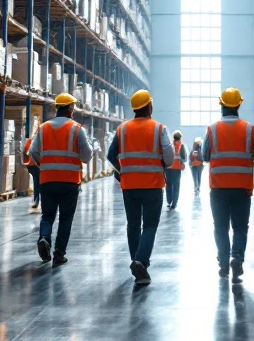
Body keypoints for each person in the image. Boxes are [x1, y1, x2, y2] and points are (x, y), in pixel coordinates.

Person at [106, 90, 174, 285]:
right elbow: (169, 159)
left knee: (133, 225)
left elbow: (111, 156)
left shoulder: (122, 130)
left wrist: (123, 170)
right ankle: (140, 261)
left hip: (129, 186)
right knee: (150, 225)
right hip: (152, 185)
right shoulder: (159, 128)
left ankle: (137, 264)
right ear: (149, 106)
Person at [203, 87, 254, 283]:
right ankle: (236, 258)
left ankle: (222, 263)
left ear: (221, 105)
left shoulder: (212, 129)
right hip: (242, 188)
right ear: (239, 105)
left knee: (220, 227)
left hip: (218, 187)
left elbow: (204, 155)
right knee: (240, 227)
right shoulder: (249, 129)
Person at [28, 93, 92, 266]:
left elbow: (33, 152)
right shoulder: (77, 129)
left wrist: (46, 165)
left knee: (47, 215)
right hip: (70, 182)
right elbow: (86, 156)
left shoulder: (43, 128)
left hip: (47, 180)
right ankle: (59, 254)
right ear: (70, 109)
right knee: (65, 218)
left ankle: (44, 238)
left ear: (57, 108)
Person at [22, 119, 41, 214]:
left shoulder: (31, 139)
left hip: (32, 166)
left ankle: (36, 200)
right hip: (37, 166)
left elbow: (25, 150)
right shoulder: (40, 139)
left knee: (36, 184)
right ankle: (37, 201)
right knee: (40, 184)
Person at [165, 130, 187, 209]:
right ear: (180, 137)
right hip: (176, 169)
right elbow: (184, 158)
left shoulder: (169, 145)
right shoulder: (182, 146)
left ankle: (169, 201)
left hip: (168, 168)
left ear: (173, 137)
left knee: (168, 185)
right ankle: (174, 203)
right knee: (176, 186)